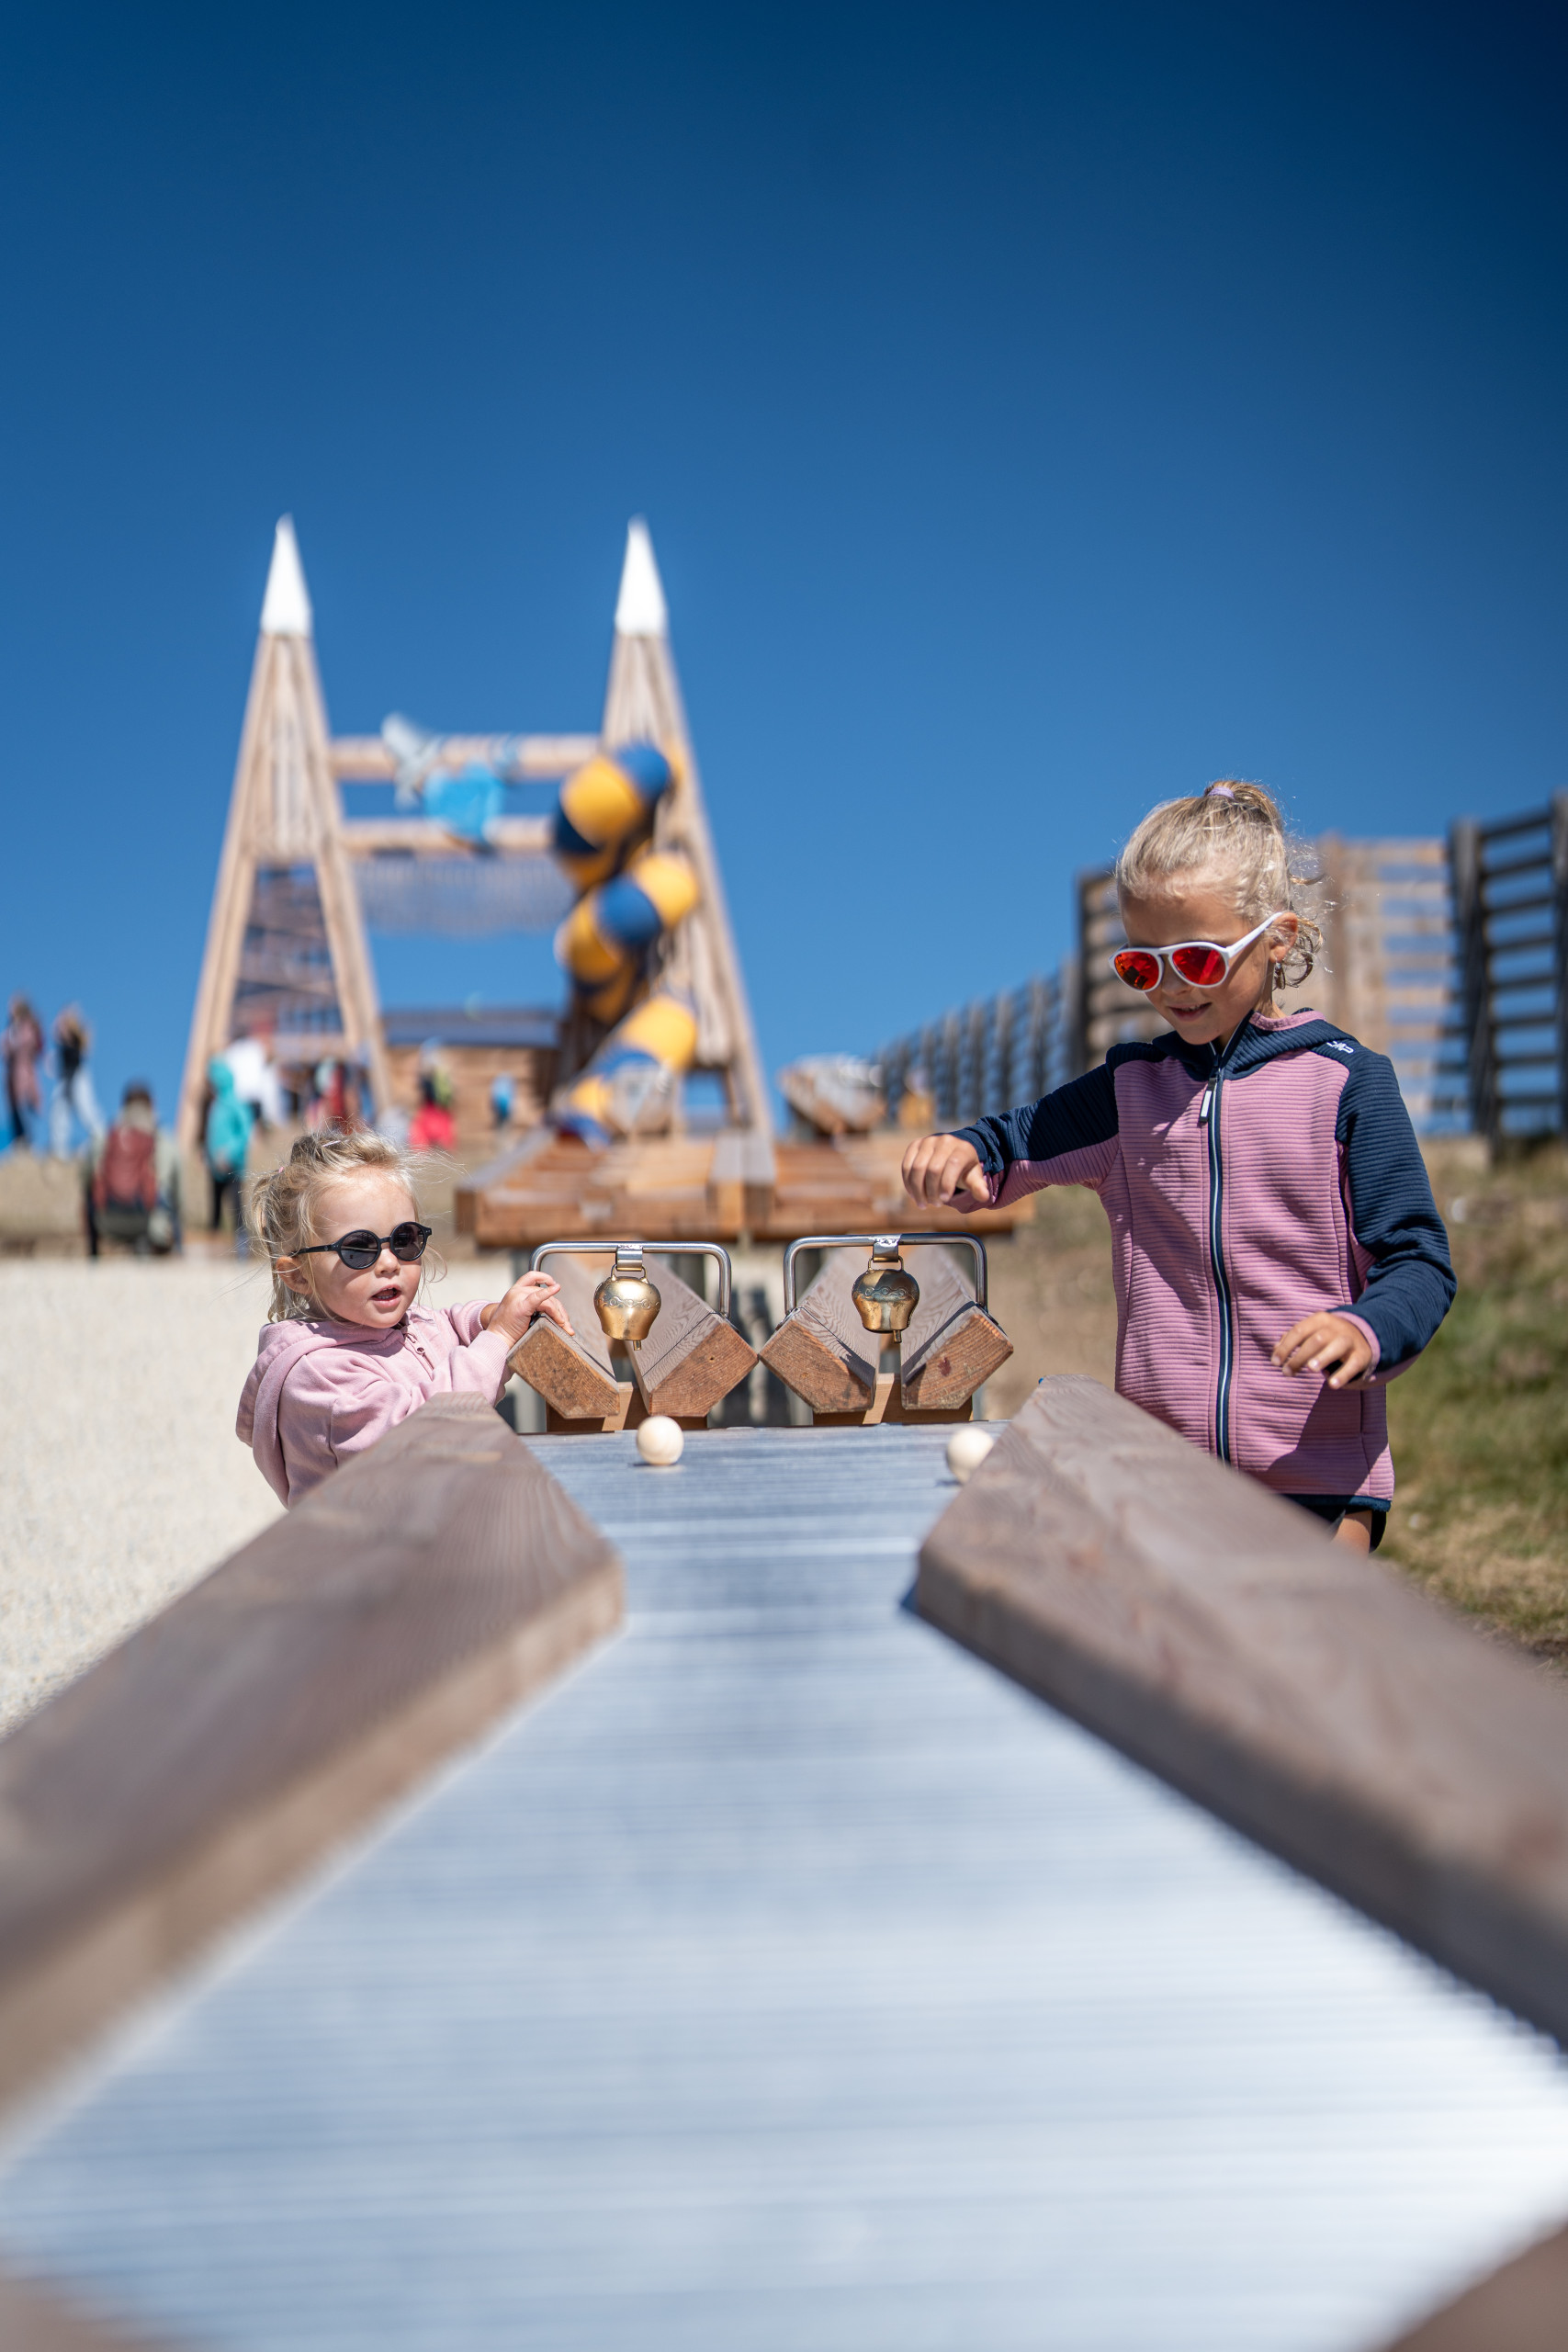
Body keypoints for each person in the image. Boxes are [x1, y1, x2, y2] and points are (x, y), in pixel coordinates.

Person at [901, 780, 1456, 1552]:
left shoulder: (1347, 1084)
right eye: (1142, 965)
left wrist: (1367, 1328)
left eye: (1196, 958)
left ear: (1277, 939)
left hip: (1317, 1478)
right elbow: (1011, 1143)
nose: (1170, 987)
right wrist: (960, 1152)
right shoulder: (1127, 1092)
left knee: (1298, 1634)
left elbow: (1418, 1260)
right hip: (1163, 1474)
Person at [237, 1126, 573, 1505]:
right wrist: (499, 1337)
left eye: (404, 1239)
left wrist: (488, 1318)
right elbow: (424, 1435)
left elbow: (444, 1325)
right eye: (359, 1248)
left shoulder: (398, 1326)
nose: (389, 1262)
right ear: (298, 1275)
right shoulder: (318, 1376)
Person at [85, 1082, 181, 1256]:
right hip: (148, 1222)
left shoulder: (105, 1135)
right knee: (167, 1192)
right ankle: (176, 1249)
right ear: (151, 1105)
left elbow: (87, 1177)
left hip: (105, 1220)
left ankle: (93, 1254)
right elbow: (177, 1192)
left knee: (90, 1189)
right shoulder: (162, 1138)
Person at [205, 1056, 254, 1233]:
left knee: (236, 1206)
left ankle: (241, 1241)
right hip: (215, 1166)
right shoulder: (215, 1105)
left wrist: (230, 1153)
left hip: (233, 1164)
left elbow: (245, 1132)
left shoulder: (235, 1104)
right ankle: (214, 1237)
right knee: (215, 1207)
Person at [48, 1005, 104, 1159]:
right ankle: (58, 1149)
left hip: (77, 1078)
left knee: (86, 1108)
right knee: (59, 1112)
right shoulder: (63, 1044)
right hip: (65, 1079)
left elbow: (81, 1048)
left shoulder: (76, 1042)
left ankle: (101, 1137)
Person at [3, 995, 43, 1148]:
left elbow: (27, 1045)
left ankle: (28, 1141)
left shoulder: (27, 1026)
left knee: (24, 1108)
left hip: (24, 1074)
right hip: (12, 1076)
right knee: (14, 1110)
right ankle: (19, 1140)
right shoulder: (10, 1029)